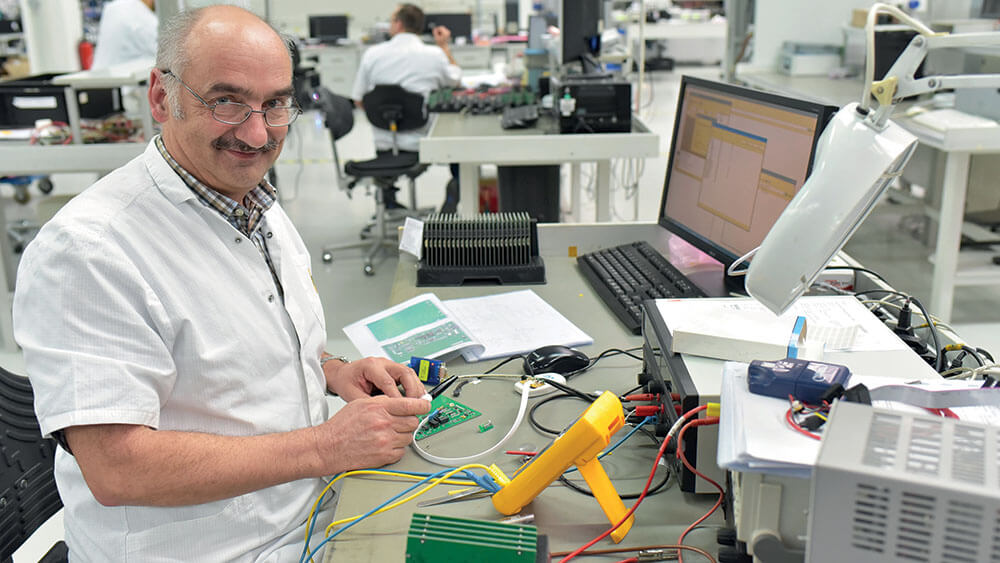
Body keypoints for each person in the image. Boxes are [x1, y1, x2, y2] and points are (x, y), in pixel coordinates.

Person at [12, 6, 430, 561]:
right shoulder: (89, 251)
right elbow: (117, 468)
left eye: (275, 103)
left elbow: (238, 345)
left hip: (307, 513)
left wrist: (335, 370)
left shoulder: (250, 199)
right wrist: (325, 446)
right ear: (163, 98)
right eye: (226, 101)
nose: (257, 133)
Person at [352, 3, 462, 212]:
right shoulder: (434, 55)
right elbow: (456, 81)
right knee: (459, 148)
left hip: (384, 143)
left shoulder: (372, 54)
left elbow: (359, 100)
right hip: (424, 144)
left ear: (398, 23)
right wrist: (444, 46)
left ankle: (389, 199)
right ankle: (453, 201)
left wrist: (387, 118)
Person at [90, 0, 158, 70]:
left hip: (95, 75)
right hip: (121, 77)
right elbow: (161, 50)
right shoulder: (142, 15)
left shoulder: (113, 7)